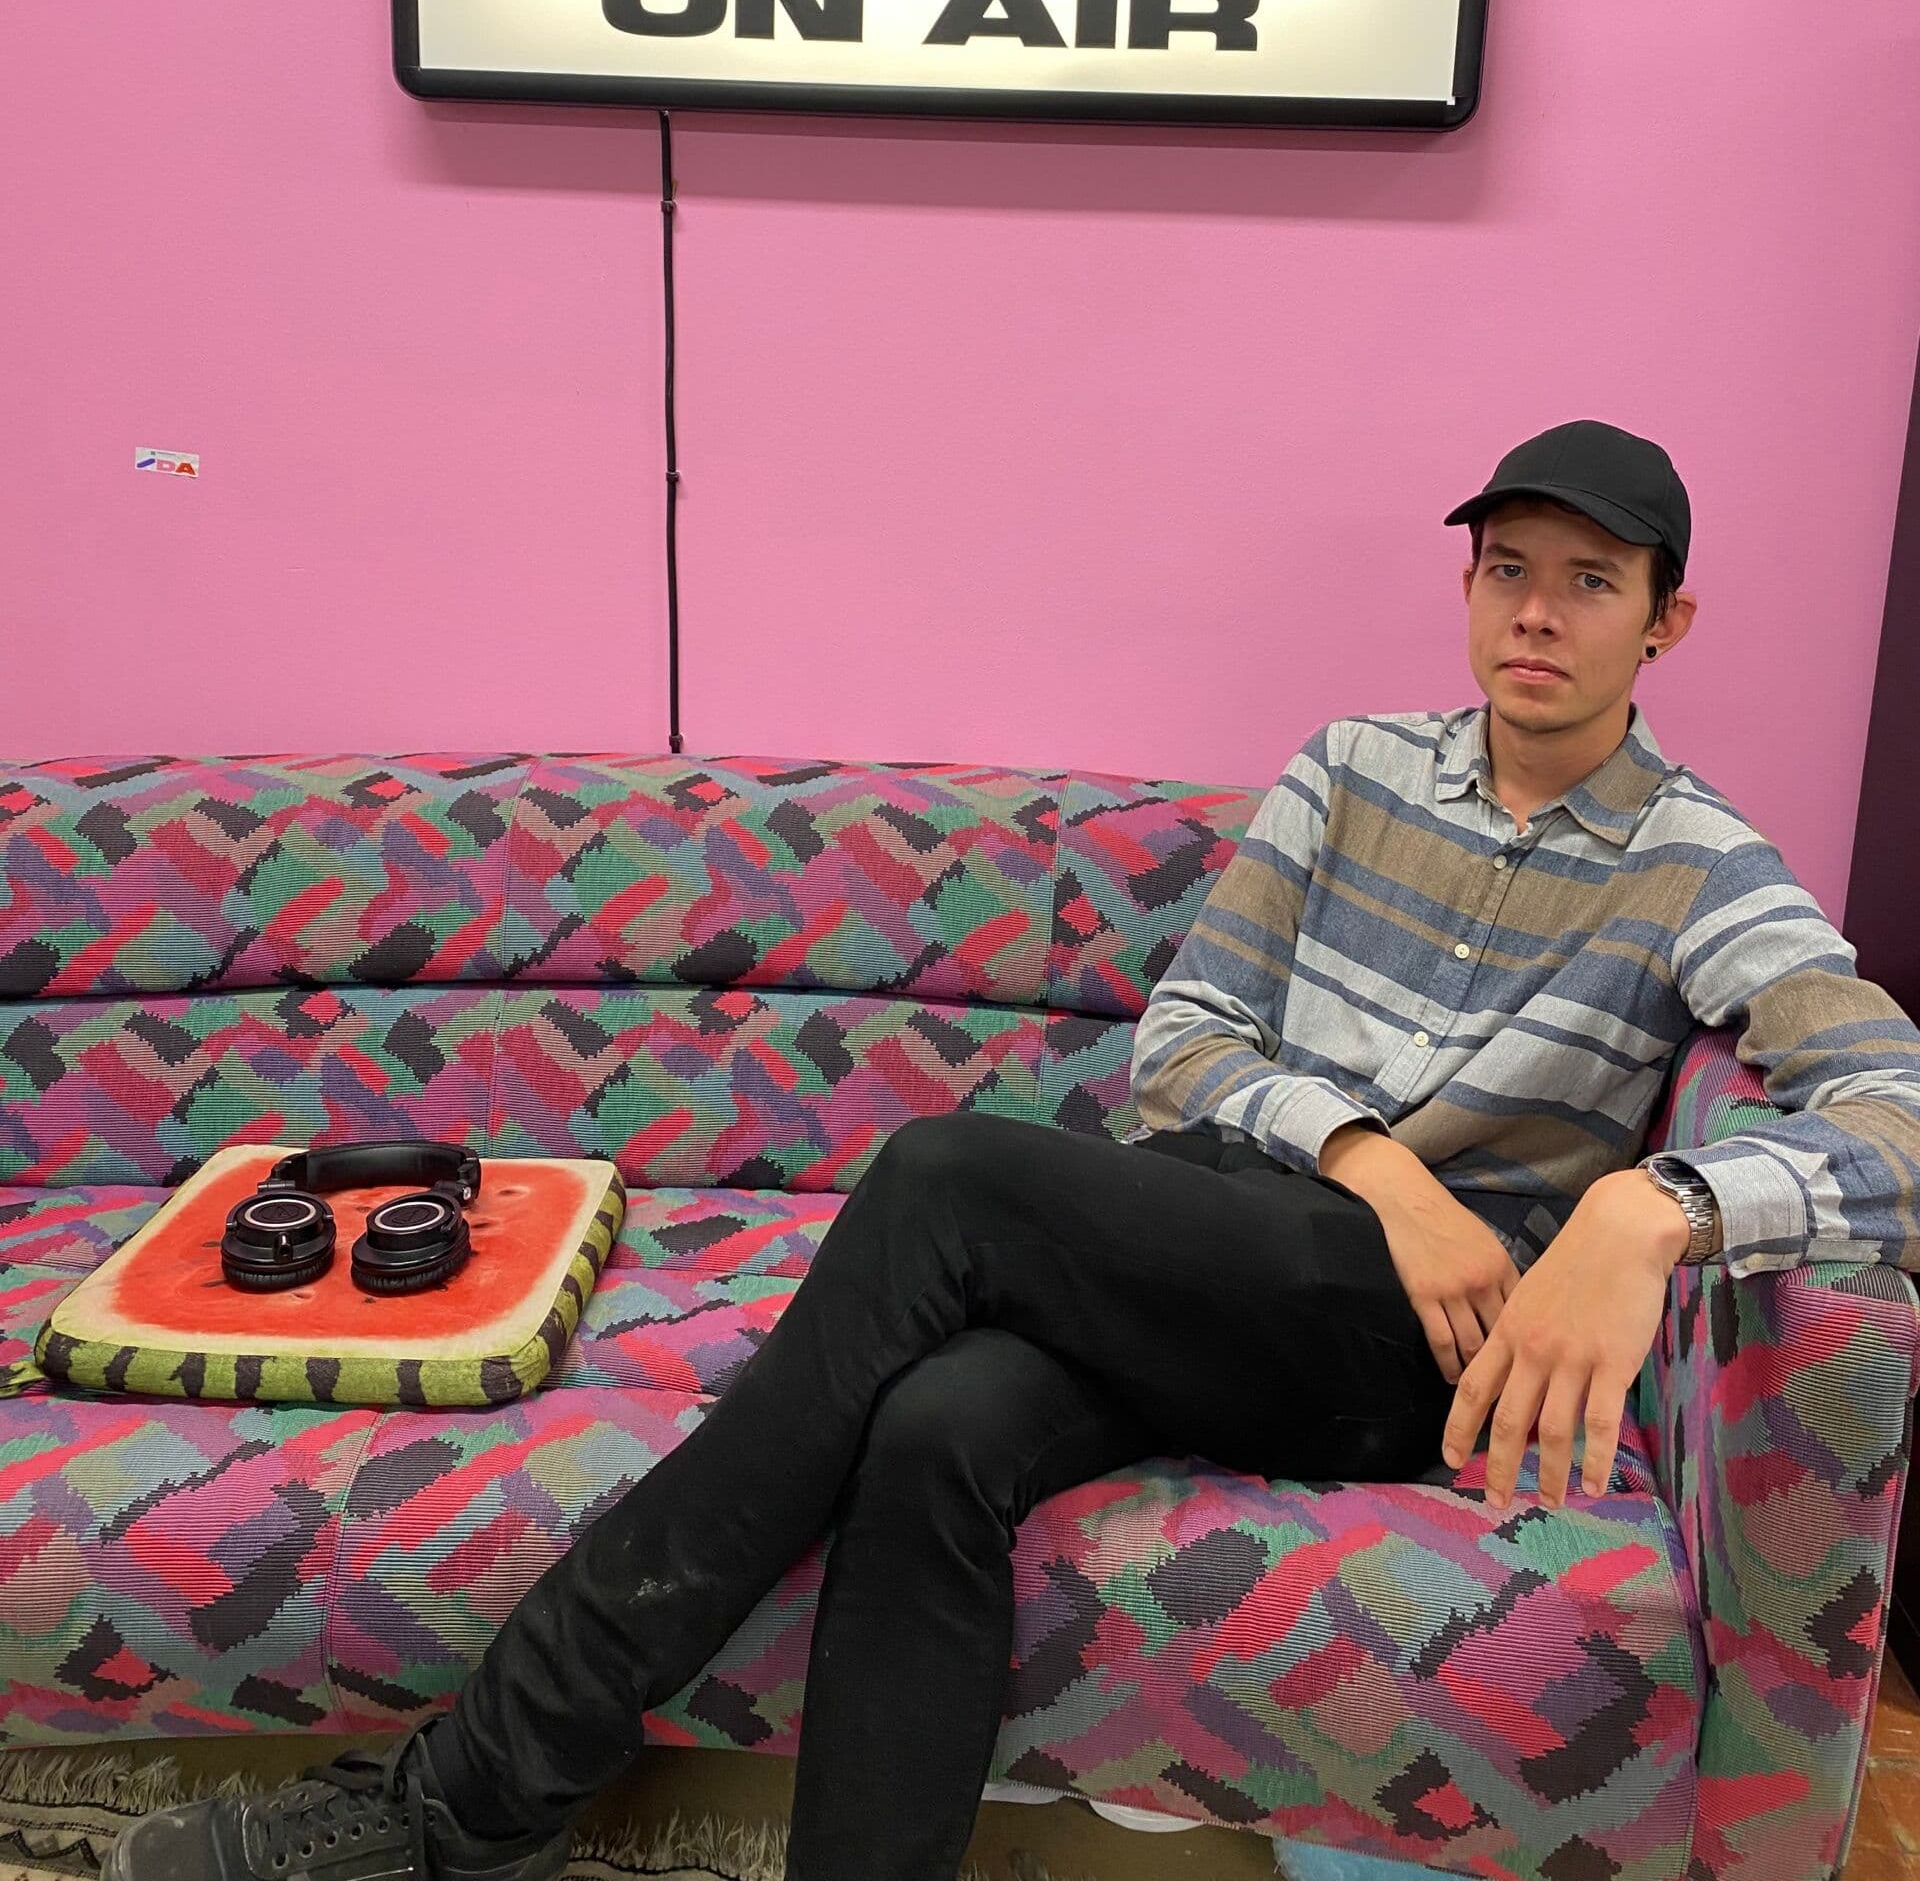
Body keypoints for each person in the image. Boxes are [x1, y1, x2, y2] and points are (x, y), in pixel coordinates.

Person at [109, 419, 1920, 1881]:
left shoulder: (1701, 863)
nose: (1537, 615)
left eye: (1590, 583)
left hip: (1409, 1348)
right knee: (937, 1428)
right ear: (1468, 587)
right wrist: (1373, 1159)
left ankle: (470, 1795)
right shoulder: (1352, 772)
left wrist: (1652, 1207)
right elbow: (1186, 1044)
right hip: (1224, 1246)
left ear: (1664, 622)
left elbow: (1891, 1108)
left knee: (944, 1178)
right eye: (1508, 571)